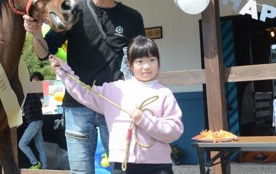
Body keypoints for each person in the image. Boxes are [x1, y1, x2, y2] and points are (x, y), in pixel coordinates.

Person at [23, 0, 145, 173]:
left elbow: (141, 62)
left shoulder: (133, 18)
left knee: (124, 170)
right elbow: (43, 53)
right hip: (77, 108)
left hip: (116, 107)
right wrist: (35, 33)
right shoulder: (74, 11)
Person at [49, 35, 184, 174]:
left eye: (152, 60)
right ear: (129, 64)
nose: (146, 66)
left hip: (159, 166)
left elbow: (174, 131)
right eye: (139, 61)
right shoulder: (114, 90)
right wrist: (63, 71)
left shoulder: (164, 93)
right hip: (123, 165)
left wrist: (144, 120)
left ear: (158, 61)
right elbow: (84, 92)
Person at [18, 71, 47, 169]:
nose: (36, 81)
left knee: (22, 144)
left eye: (38, 79)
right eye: (34, 79)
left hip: (35, 122)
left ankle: (35, 163)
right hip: (37, 122)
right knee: (40, 147)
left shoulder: (30, 93)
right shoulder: (32, 93)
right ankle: (44, 168)